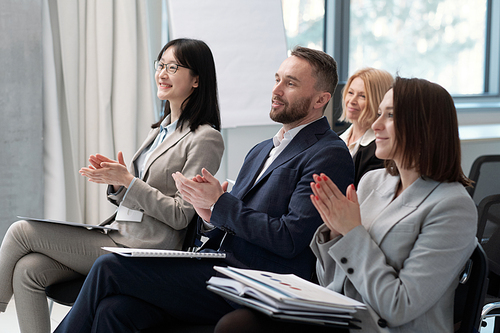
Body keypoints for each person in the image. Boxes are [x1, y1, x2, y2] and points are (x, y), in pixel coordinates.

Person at [53, 46, 354, 333]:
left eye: (290, 83)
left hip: (258, 281)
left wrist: (221, 203)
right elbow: (231, 218)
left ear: (320, 100)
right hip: (219, 267)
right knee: (114, 310)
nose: (276, 90)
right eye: (277, 80)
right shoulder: (262, 150)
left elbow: (290, 238)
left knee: (110, 267)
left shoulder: (328, 153)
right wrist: (207, 212)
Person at [214, 77, 477, 333]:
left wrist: (351, 233)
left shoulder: (453, 207)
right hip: (342, 315)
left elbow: (398, 307)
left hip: (384, 326)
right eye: (378, 114)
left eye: (390, 116)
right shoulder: (374, 181)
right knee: (237, 323)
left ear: (425, 127)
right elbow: (333, 280)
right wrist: (334, 233)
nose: (375, 125)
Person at [0, 38, 224, 333]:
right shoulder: (160, 129)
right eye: (160, 65)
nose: (162, 73)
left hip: (146, 247)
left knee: (22, 231)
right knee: (29, 270)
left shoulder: (205, 138)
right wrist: (118, 186)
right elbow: (138, 196)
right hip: (119, 234)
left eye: (173, 67)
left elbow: (182, 215)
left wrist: (128, 182)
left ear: (196, 80)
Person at [339, 67, 393, 187]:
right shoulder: (335, 138)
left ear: (379, 101)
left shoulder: (380, 151)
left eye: (362, 96)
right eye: (350, 92)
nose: (352, 101)